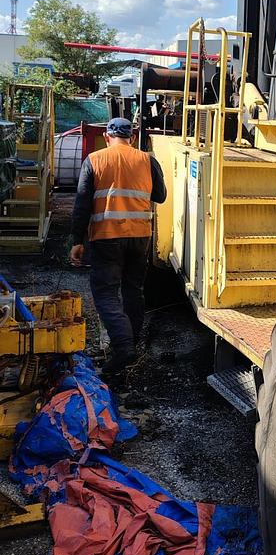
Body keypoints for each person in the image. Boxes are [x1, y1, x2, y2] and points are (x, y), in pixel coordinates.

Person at [70, 117, 167, 374]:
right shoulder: (147, 160)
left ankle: (124, 347)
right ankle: (132, 343)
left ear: (106, 135)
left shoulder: (94, 160)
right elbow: (161, 196)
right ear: (132, 138)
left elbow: (82, 205)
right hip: (139, 237)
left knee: (105, 294)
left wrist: (76, 241)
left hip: (106, 237)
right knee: (133, 290)